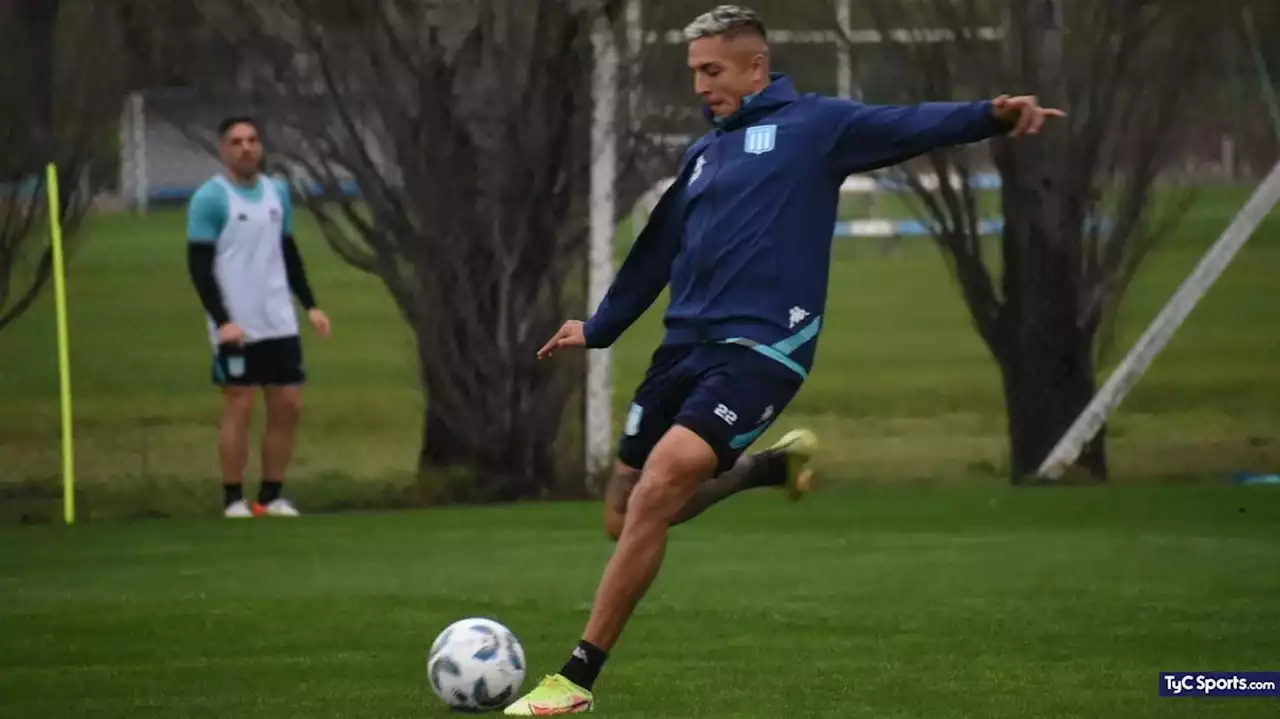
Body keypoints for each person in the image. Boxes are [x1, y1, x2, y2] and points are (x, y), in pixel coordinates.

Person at [503, 5, 1066, 715]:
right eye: (695, 72)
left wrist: (992, 114)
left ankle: (575, 680)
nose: (701, 84)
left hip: (766, 347)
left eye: (712, 70)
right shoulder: (703, 154)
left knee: (657, 490)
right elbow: (656, 251)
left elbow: (907, 124)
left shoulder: (816, 128)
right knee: (625, 513)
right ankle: (765, 468)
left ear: (755, 66)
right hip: (681, 351)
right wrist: (603, 326)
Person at [185, 116, 332, 519]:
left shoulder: (277, 193)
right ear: (223, 150)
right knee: (240, 405)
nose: (246, 148)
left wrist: (311, 306)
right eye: (236, 142)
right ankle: (233, 498)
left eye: (252, 140)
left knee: (288, 405)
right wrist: (222, 319)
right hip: (237, 322)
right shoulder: (210, 199)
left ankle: (271, 496)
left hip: (278, 318)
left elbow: (287, 251)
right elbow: (198, 266)